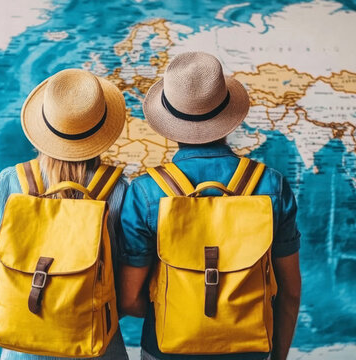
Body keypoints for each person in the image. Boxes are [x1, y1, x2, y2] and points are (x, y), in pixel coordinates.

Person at [117, 52, 302, 360]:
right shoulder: (272, 185)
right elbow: (290, 292)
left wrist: (180, 310)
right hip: (251, 351)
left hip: (166, 351)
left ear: (169, 122)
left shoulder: (145, 192)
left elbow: (130, 299)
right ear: (227, 118)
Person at [0, 69, 130, 360]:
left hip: (23, 348)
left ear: (44, 127)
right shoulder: (118, 189)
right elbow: (124, 295)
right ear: (100, 132)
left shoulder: (11, 181)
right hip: (97, 347)